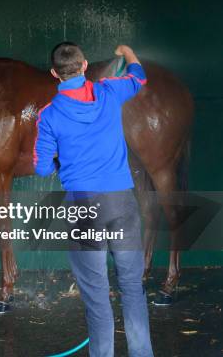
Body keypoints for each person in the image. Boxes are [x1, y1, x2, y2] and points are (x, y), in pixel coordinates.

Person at [33, 42, 154, 357]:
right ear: (84, 65)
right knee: (132, 289)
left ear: (54, 74)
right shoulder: (110, 92)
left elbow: (42, 166)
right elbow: (139, 77)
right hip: (122, 205)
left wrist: (64, 161)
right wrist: (128, 52)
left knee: (97, 297)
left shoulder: (48, 116)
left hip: (83, 207)